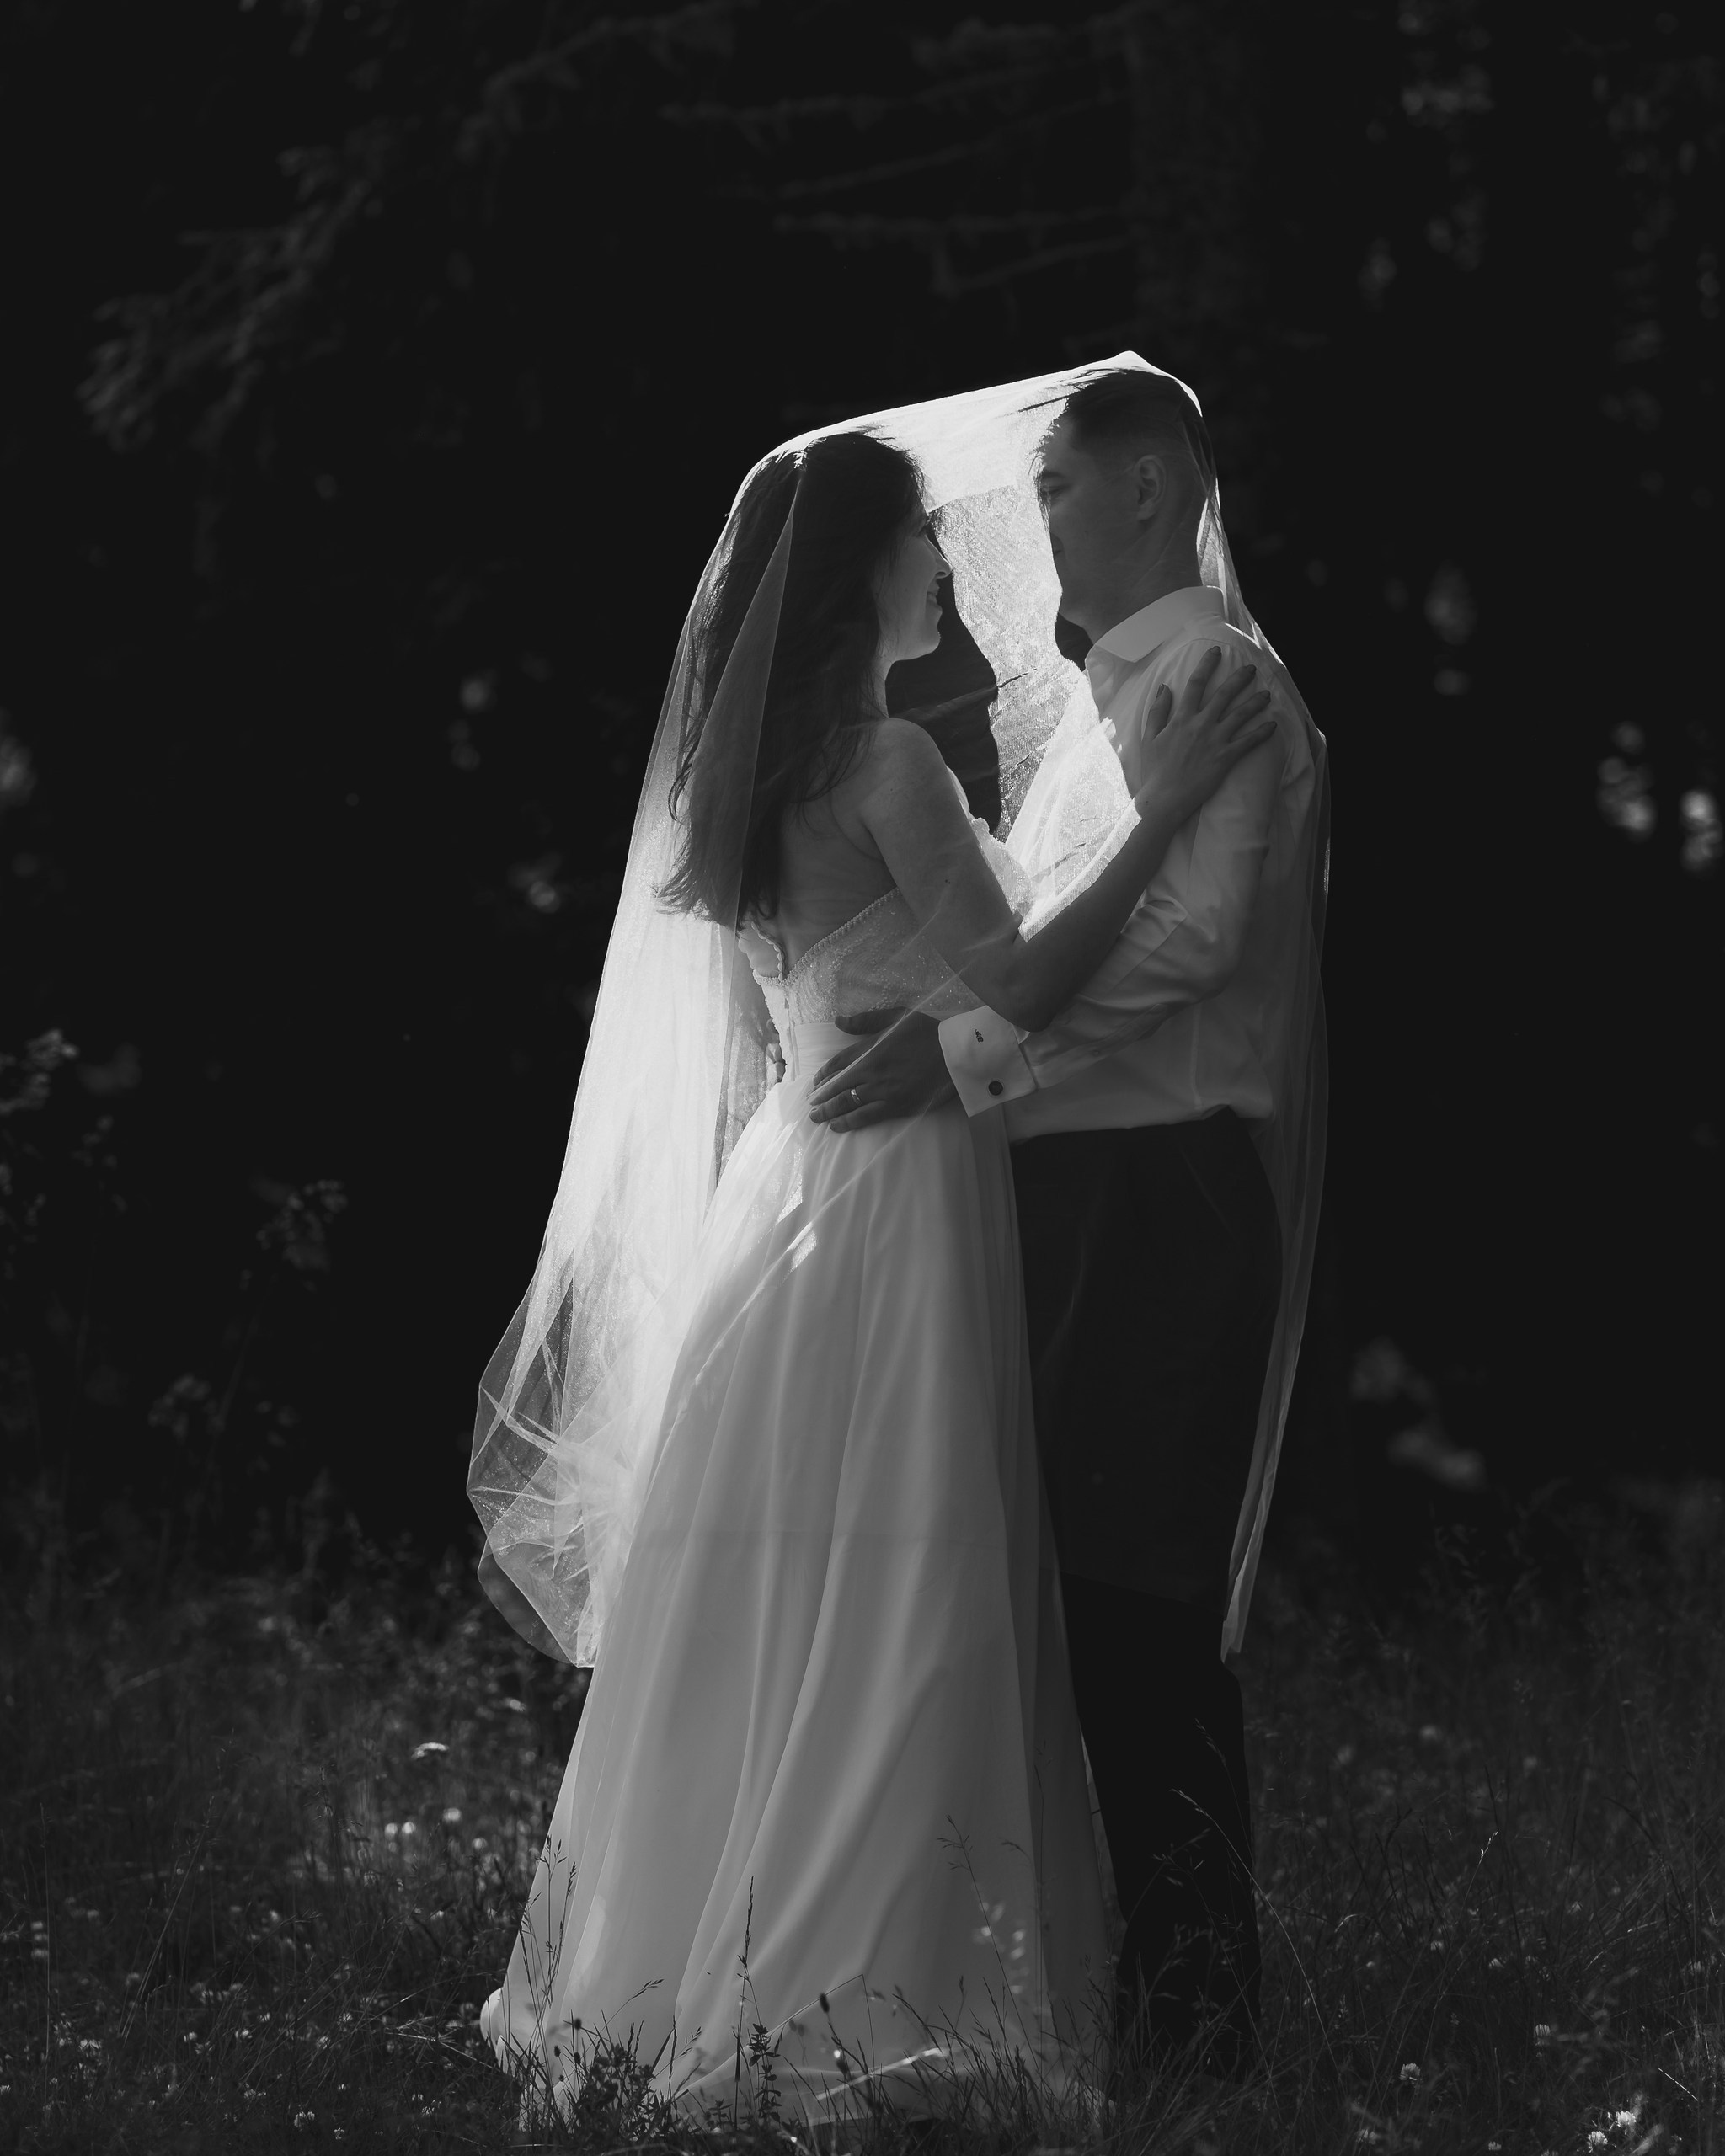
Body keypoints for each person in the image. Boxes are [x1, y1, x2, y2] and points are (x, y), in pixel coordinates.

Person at [467, 374, 1280, 2121]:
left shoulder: (740, 788)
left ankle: (673, 1972)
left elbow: (804, 1019)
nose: (950, 560)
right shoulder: (891, 762)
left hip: (784, 1202)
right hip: (906, 1194)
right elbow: (1022, 982)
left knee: (775, 1594)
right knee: (913, 1577)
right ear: (859, 572)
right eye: (923, 536)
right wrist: (1160, 809)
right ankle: (880, 1976)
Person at [809, 367, 1328, 2068]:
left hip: (1159, 1196)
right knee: (1083, 1621)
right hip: (1086, 1192)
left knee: (1140, 1620)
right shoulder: (1123, 699)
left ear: (1149, 486)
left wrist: (961, 1048)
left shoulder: (1212, 682)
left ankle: (1200, 2039)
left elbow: (1190, 940)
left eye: (1048, 490)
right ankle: (1122, 2013)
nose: (1019, 529)